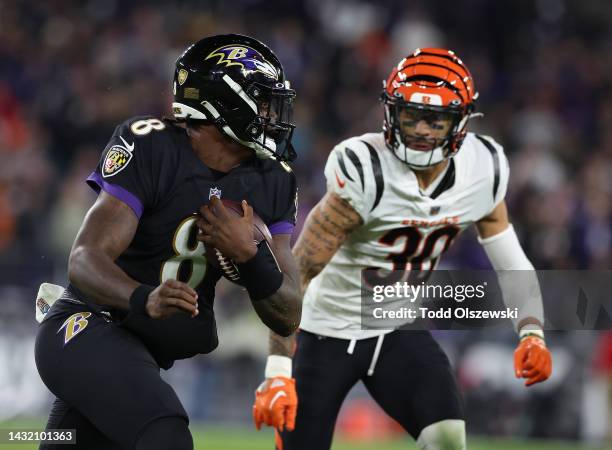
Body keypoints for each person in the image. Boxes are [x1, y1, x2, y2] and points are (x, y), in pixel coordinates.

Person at [252, 48, 553, 450]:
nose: (422, 130)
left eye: (436, 118)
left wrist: (532, 331)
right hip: (325, 333)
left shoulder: (483, 169)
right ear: (392, 113)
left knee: (447, 441)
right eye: (411, 115)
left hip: (397, 331)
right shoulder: (366, 169)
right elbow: (296, 273)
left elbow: (510, 257)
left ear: (460, 122)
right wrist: (277, 370)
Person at [34, 34, 301, 450]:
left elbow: (288, 312)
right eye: (262, 101)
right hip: (87, 327)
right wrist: (143, 297)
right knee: (166, 434)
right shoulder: (151, 144)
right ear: (224, 102)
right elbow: (84, 260)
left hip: (141, 354)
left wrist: (250, 258)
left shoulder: (274, 179)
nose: (272, 114)